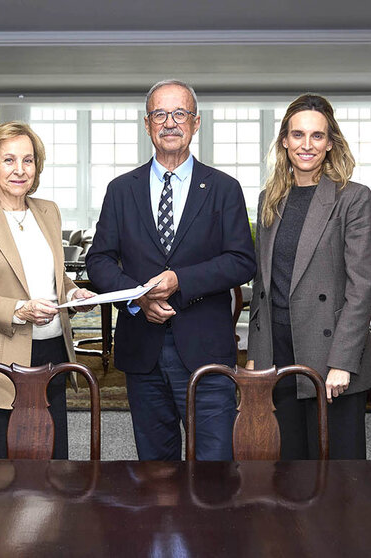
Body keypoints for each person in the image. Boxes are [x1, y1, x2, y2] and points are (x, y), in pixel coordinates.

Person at [86, 80, 256, 461]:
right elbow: (98, 260)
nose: (170, 123)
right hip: (140, 349)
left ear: (196, 123)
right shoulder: (120, 190)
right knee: (155, 472)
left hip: (205, 350)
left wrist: (181, 281)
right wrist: (137, 296)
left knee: (214, 469)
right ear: (147, 124)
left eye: (180, 113)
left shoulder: (224, 188)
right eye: (159, 114)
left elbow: (243, 260)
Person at [0, 122, 95, 459]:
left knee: (52, 462)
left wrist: (72, 295)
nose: (19, 170)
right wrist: (19, 309)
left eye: (28, 160)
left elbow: (54, 278)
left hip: (53, 354)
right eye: (8, 160)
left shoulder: (48, 211)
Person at [246, 93, 371, 460]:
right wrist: (256, 351)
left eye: (317, 136)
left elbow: (361, 288)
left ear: (330, 142)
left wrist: (342, 360)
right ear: (284, 141)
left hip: (329, 353)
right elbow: (263, 282)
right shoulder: (269, 199)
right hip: (280, 350)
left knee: (337, 472)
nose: (307, 145)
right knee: (288, 467)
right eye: (298, 135)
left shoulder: (352, 198)